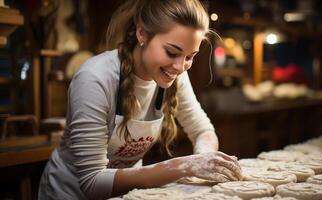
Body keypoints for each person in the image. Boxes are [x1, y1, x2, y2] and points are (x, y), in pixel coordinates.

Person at [38, 0, 242, 199]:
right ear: (142, 33)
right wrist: (182, 167)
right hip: (69, 192)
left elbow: (202, 130)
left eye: (190, 57)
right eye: (172, 52)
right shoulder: (95, 77)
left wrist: (203, 158)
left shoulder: (175, 74)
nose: (180, 67)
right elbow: (93, 182)